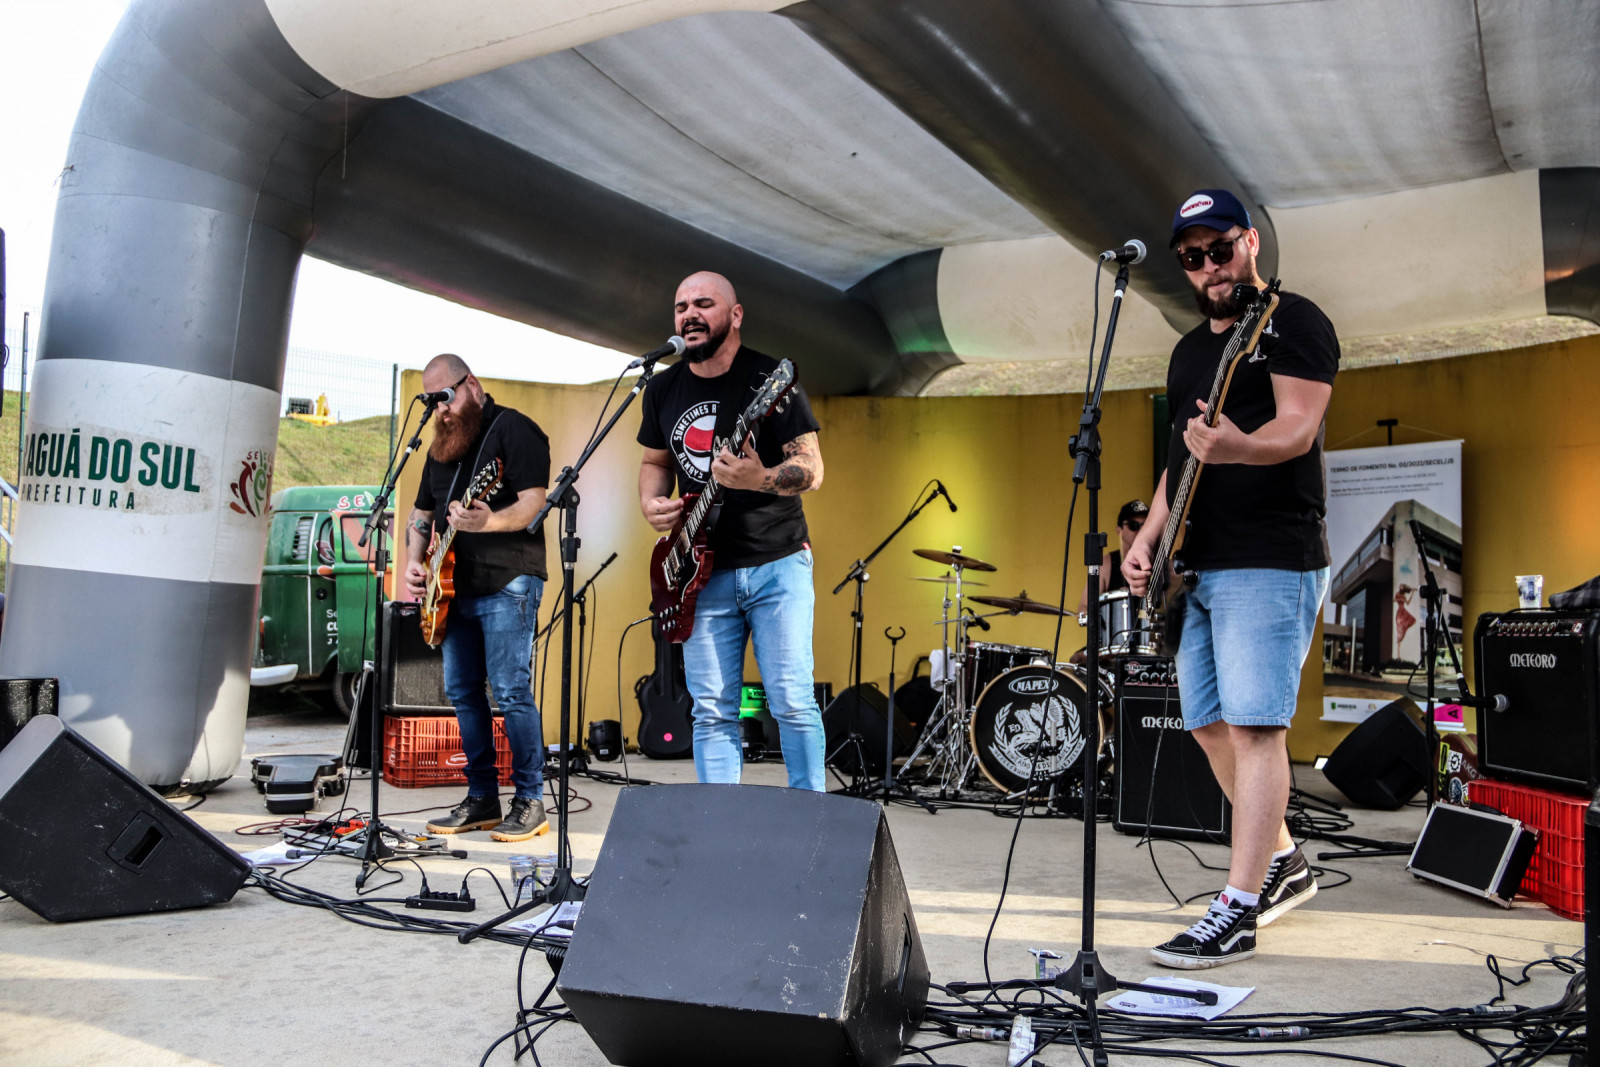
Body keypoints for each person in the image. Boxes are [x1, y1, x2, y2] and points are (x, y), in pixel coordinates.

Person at [1123, 189, 1338, 968]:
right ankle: (1283, 863)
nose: (1208, 267)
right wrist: (1145, 538)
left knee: (1254, 727)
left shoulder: (1294, 321)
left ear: (1250, 243)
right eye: (1192, 256)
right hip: (1196, 562)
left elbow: (1295, 428)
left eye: (1220, 249)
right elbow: (1178, 460)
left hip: (1270, 556)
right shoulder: (1188, 352)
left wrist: (1233, 448)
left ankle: (1240, 903)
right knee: (1208, 722)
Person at [637, 271, 828, 790]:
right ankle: (719, 829)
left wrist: (760, 477)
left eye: (703, 303)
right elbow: (655, 461)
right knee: (711, 710)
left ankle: (811, 820)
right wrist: (651, 502)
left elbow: (812, 469)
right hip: (701, 570)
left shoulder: (770, 379)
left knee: (791, 697)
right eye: (680, 307)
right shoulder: (662, 387)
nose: (689, 314)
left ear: (735, 315)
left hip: (776, 562)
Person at [402, 354, 553, 842]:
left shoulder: (514, 430)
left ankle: (531, 799)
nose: (441, 409)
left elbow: (534, 504)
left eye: (446, 396)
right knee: (464, 693)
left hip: (509, 578)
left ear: (472, 386)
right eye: (432, 401)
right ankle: (482, 798)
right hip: (452, 588)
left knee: (510, 691)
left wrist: (488, 520)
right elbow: (422, 514)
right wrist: (414, 558)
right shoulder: (440, 447)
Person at [1077, 499, 1149, 614]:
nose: (1140, 530)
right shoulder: (1106, 563)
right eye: (1133, 525)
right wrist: (1114, 601)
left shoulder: (1160, 560)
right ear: (1119, 530)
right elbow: (1084, 608)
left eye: (1145, 526)